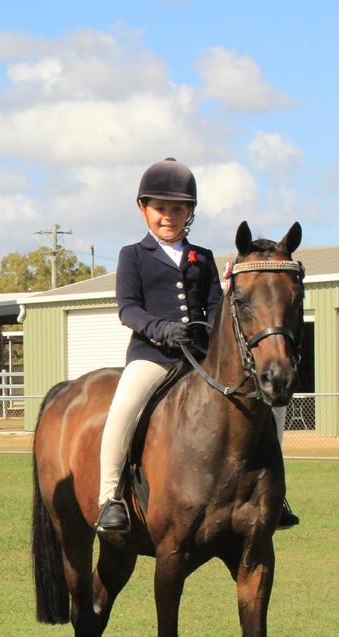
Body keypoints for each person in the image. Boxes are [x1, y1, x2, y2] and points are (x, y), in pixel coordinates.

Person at [95, 158, 300, 534]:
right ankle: (110, 498)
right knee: (123, 408)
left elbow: (217, 307)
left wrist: (227, 295)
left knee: (271, 407)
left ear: (189, 213)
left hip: (201, 358)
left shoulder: (202, 257)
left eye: (177, 209)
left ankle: (275, 494)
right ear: (144, 210)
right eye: (160, 209)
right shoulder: (133, 255)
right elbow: (129, 309)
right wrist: (162, 330)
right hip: (153, 356)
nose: (168, 217)